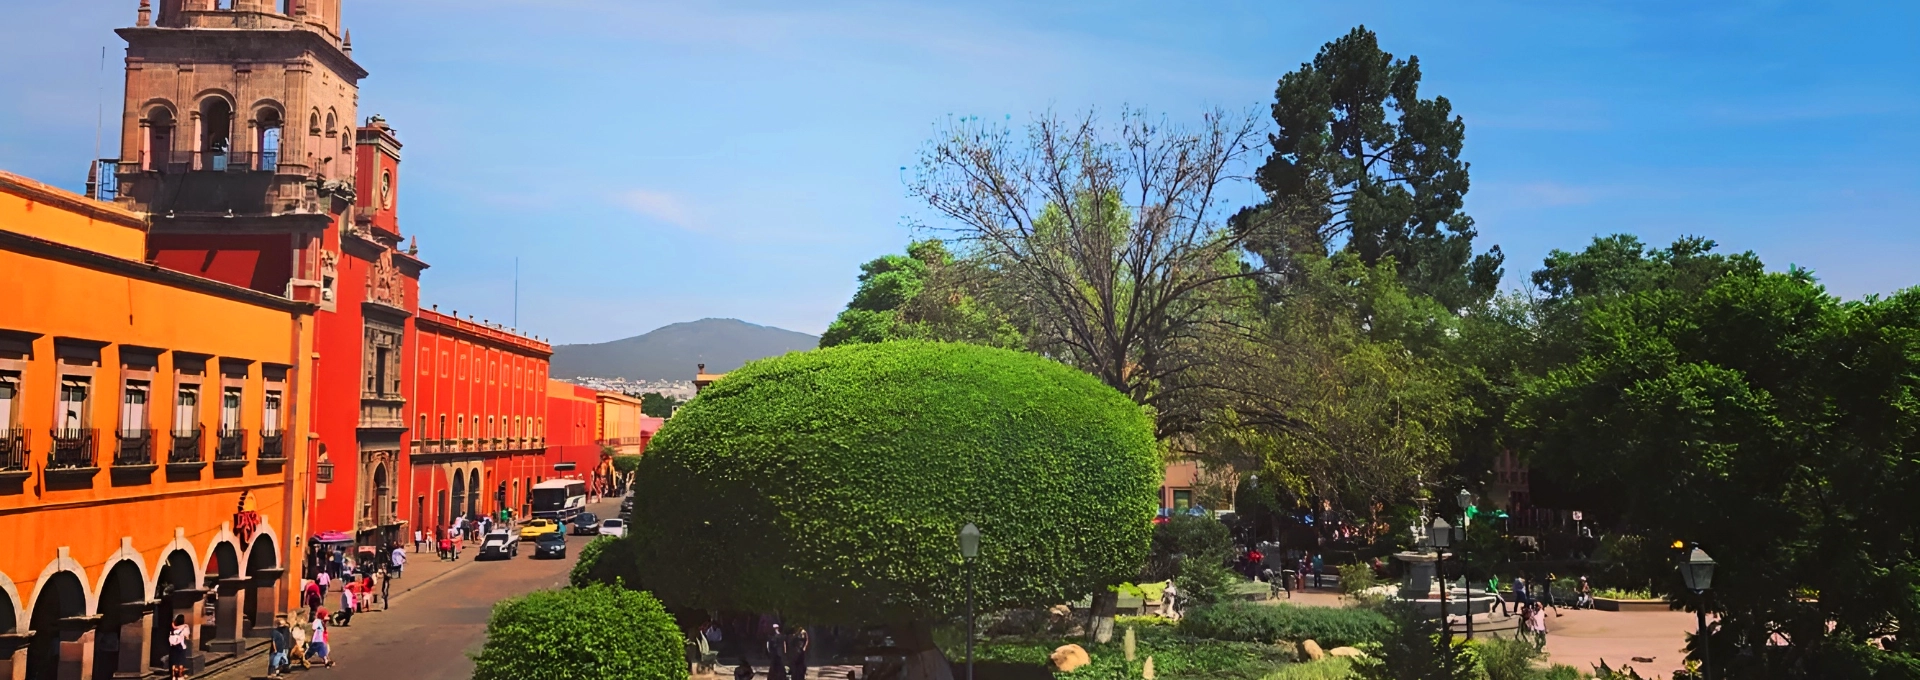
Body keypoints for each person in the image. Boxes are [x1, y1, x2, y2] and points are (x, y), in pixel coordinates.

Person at [167, 614, 192, 680]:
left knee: (174, 662)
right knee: (180, 662)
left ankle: (173, 676)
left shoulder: (172, 627)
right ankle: (180, 676)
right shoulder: (185, 627)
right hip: (181, 646)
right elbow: (187, 637)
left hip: (173, 646)